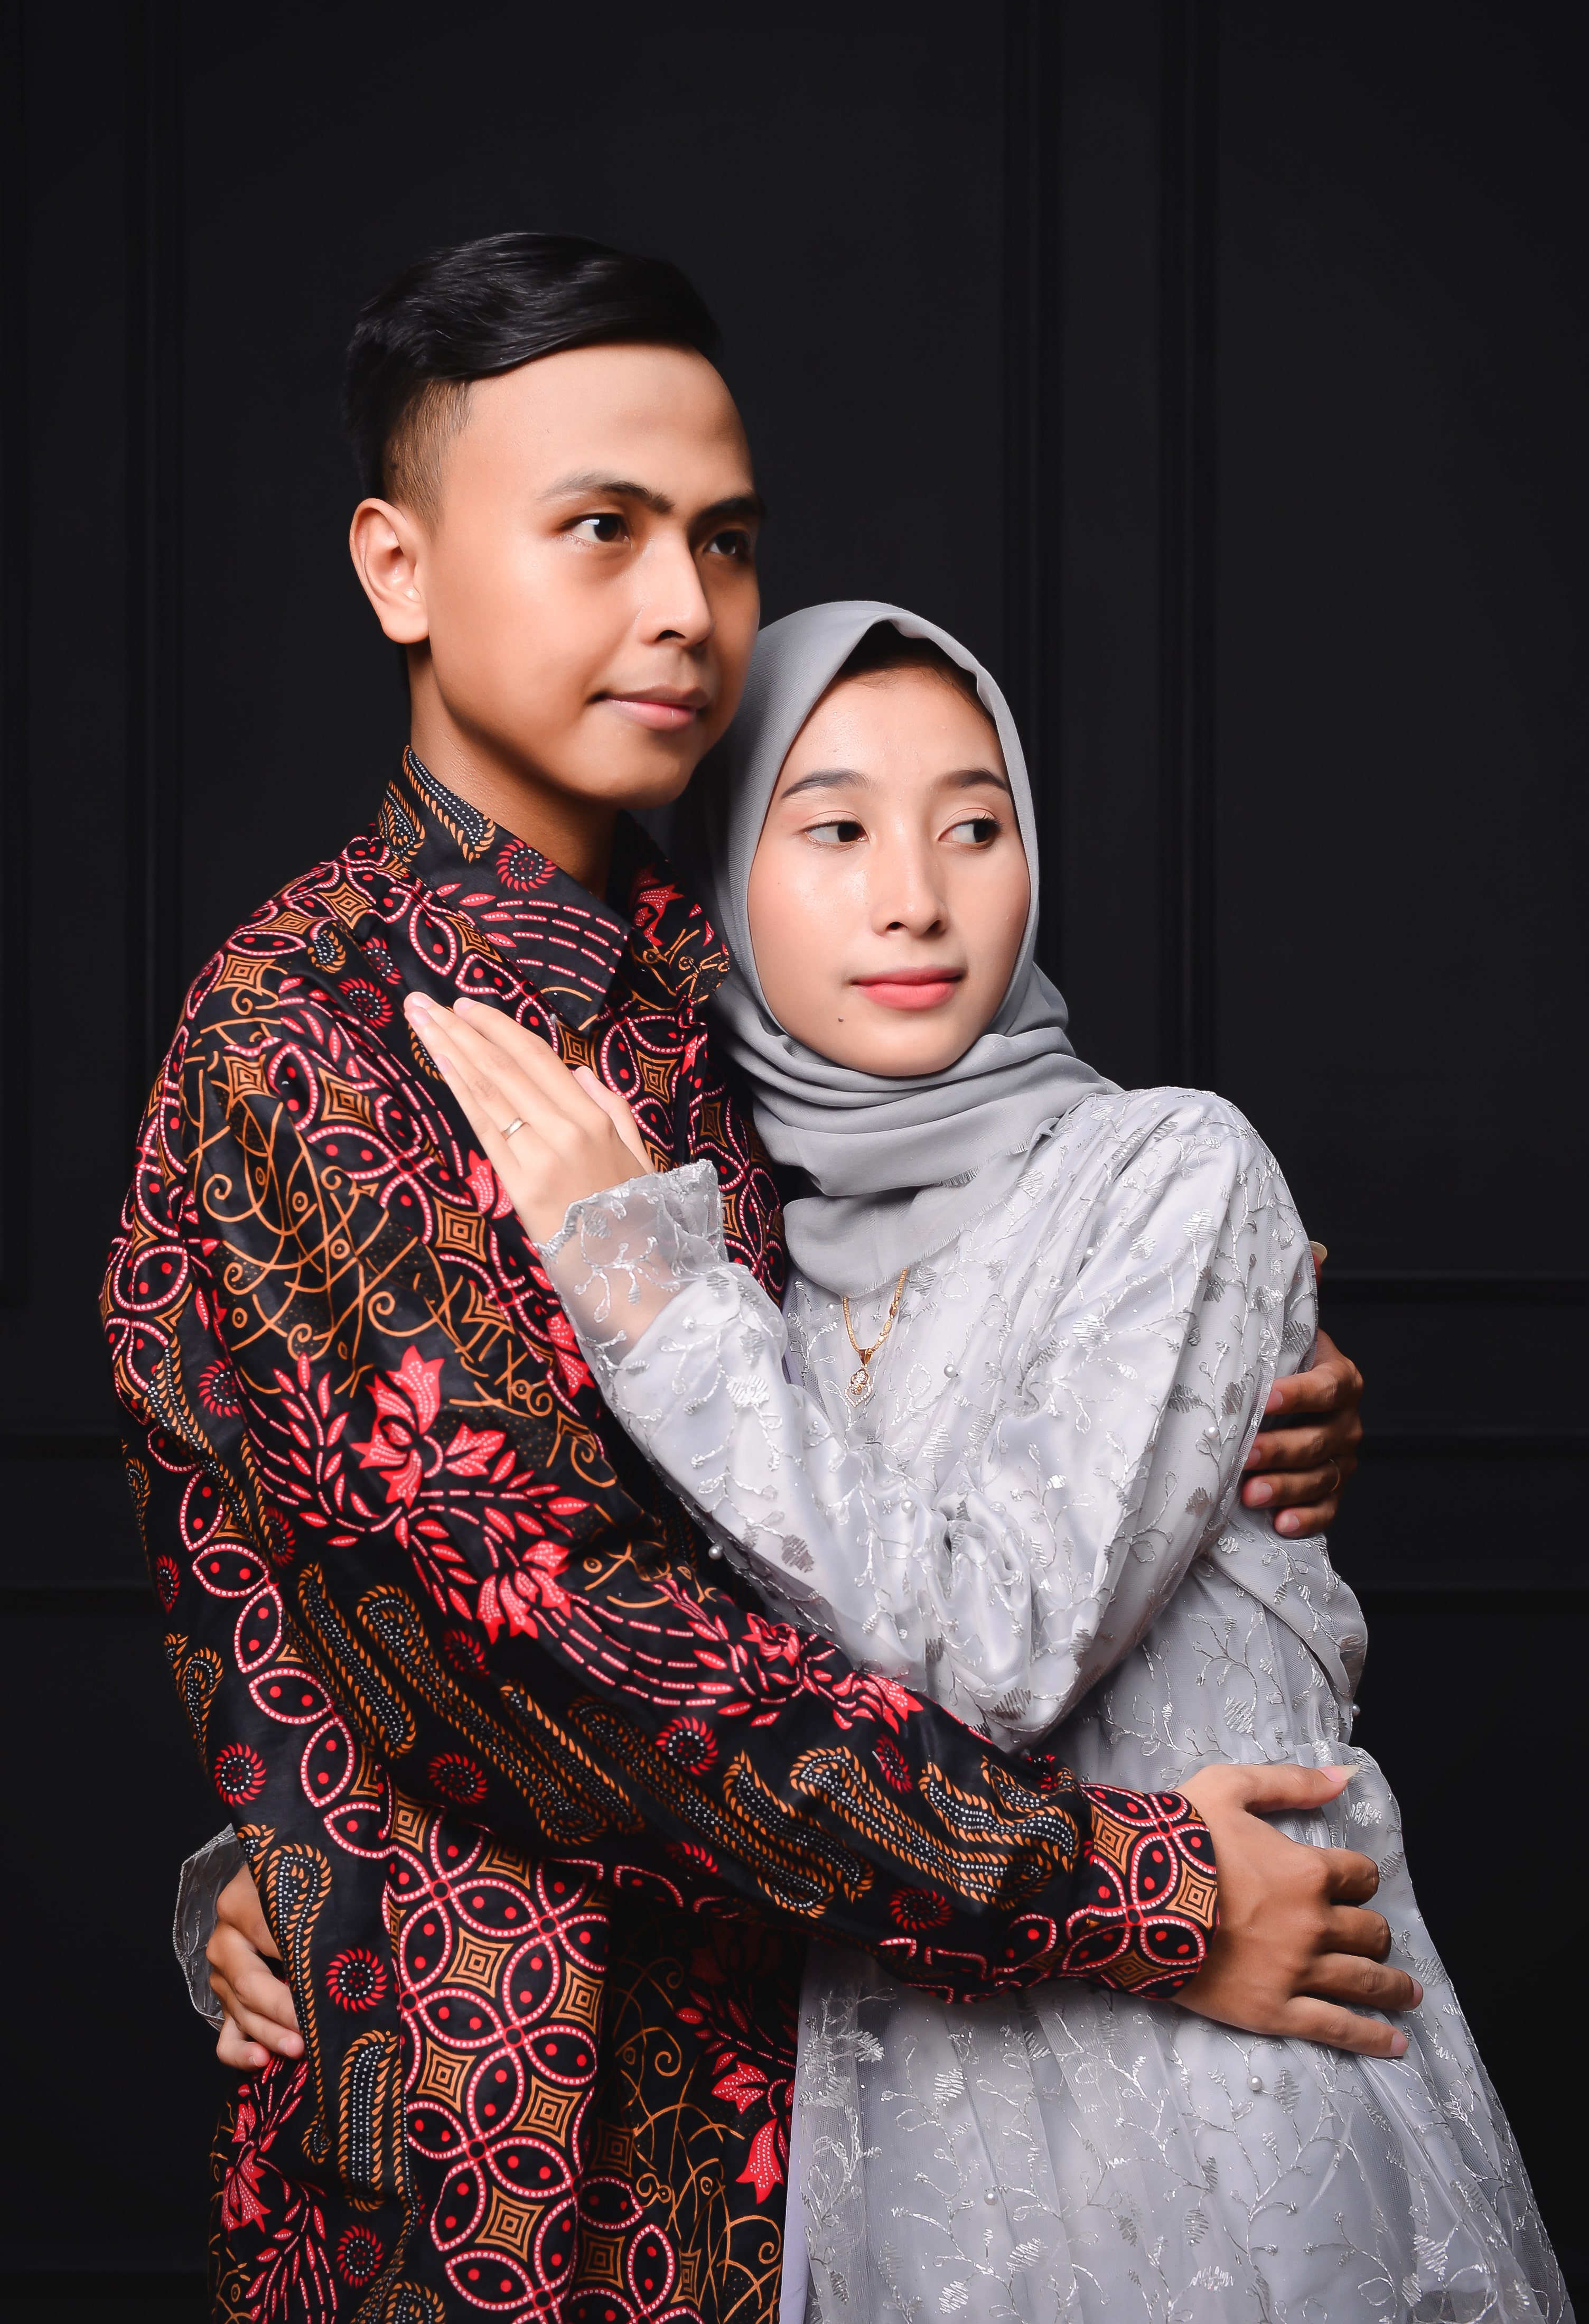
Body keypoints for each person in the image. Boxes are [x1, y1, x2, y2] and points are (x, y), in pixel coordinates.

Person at [114, 233, 1389, 2324]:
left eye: (721, 538)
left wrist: (1263, 1362)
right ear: (398, 568)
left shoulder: (741, 982)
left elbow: (964, 1322)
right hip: (515, 2155)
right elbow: (564, 1664)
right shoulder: (311, 1041)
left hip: (866, 2135)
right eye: (599, 528)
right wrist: (1146, 1889)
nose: (683, 607)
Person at [409, 601, 1571, 2323]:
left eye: (975, 823)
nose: (916, 898)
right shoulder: (753, 1268)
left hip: (1225, 2109)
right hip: (904, 2148)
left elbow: (999, 1643)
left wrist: (646, 1290)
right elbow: (625, 1666)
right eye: (835, 830)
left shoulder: (1169, 1173)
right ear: (724, 883)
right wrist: (299, 1874)